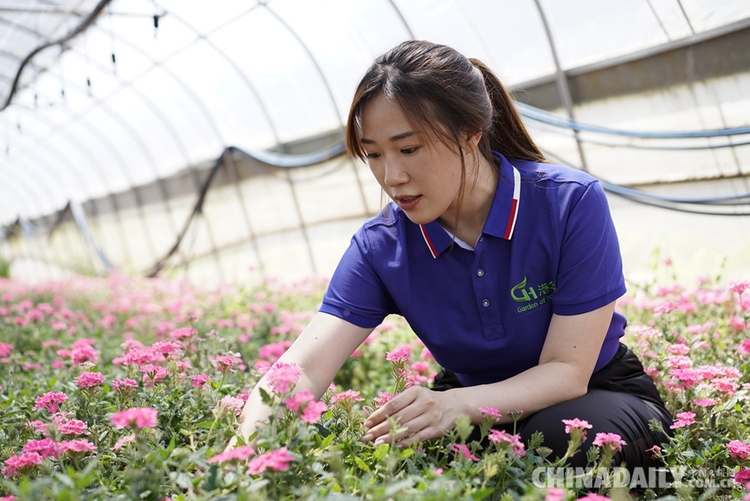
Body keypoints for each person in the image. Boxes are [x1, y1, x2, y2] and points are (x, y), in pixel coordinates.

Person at [236, 40, 672, 470]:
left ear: (470, 133)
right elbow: (303, 370)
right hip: (465, 404)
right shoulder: (381, 246)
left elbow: (567, 371)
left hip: (589, 397)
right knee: (400, 464)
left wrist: (455, 406)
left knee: (563, 445)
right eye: (372, 154)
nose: (392, 176)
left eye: (409, 149)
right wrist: (242, 455)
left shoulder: (568, 203)